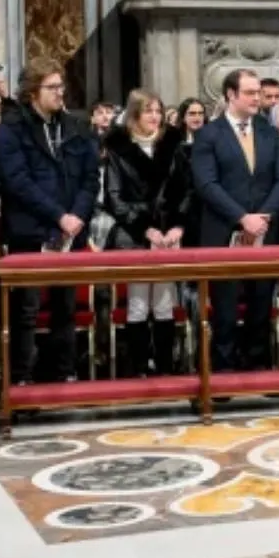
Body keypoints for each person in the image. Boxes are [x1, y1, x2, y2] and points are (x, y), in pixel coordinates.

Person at [0, 58, 100, 384]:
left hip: (69, 231)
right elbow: (17, 182)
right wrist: (58, 215)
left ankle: (62, 371)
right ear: (32, 92)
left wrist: (77, 215)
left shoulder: (76, 127)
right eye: (52, 87)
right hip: (31, 230)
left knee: (65, 308)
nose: (60, 92)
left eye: (61, 86)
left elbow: (90, 178)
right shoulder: (12, 129)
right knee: (26, 309)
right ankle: (21, 376)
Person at [191, 68, 279, 371]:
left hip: (264, 231)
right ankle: (223, 372)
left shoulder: (269, 132)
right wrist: (241, 217)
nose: (257, 98)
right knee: (225, 309)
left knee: (261, 305)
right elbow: (206, 184)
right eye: (250, 93)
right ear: (230, 95)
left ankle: (258, 368)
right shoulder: (209, 134)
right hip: (223, 233)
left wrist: (262, 217)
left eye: (258, 92)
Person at [101, 90, 186, 376]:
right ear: (134, 114)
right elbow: (114, 198)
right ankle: (138, 368)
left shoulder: (173, 145)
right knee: (137, 303)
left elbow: (185, 190)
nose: (155, 116)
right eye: (148, 111)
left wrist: (176, 225)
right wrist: (144, 228)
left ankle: (165, 367)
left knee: (164, 302)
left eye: (158, 111)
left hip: (168, 234)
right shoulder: (118, 148)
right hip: (135, 234)